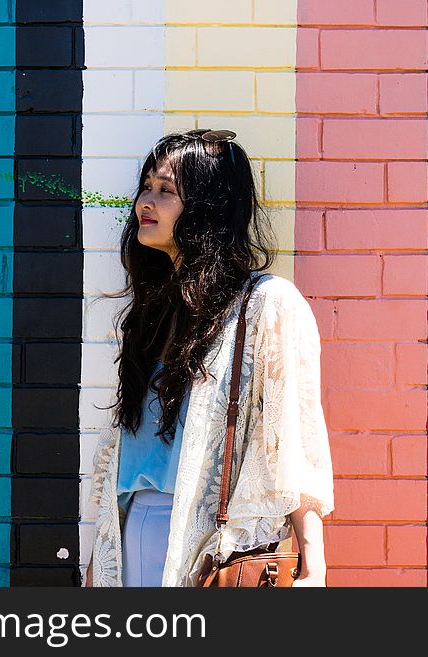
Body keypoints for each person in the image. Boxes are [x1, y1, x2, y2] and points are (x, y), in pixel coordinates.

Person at [84, 129, 334, 587]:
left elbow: (294, 441)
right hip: (131, 530)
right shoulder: (151, 313)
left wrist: (312, 563)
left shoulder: (266, 305)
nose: (145, 202)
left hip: (210, 546)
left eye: (166, 191)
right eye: (146, 187)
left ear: (207, 209)